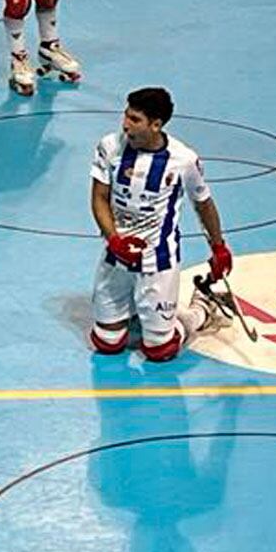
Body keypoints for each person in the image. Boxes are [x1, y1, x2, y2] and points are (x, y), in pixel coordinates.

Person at [90, 87, 233, 363]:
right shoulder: (109, 146)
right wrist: (114, 240)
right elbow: (98, 197)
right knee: (106, 344)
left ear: (156, 125)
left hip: (158, 259)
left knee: (159, 350)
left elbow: (203, 203)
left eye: (134, 119)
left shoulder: (183, 160)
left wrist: (219, 247)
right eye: (126, 115)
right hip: (116, 256)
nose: (125, 125)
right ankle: (136, 308)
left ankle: (202, 308)